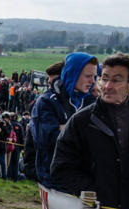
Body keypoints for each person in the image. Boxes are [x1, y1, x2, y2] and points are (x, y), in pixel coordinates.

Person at [51, 53, 129, 209]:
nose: (108, 86)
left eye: (116, 80)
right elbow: (61, 168)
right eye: (104, 79)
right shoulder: (81, 122)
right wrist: (93, 193)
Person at [29, 52, 98, 188]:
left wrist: (65, 128)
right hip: (54, 180)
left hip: (83, 179)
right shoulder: (47, 102)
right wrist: (80, 132)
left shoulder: (90, 101)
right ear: (73, 74)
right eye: (88, 76)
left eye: (94, 76)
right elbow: (47, 140)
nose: (93, 81)